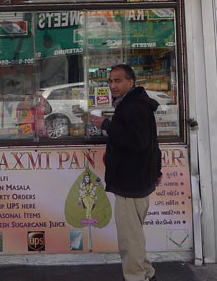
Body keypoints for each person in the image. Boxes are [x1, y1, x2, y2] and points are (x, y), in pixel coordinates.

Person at [90, 64, 161, 281]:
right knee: (134, 236)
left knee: (129, 240)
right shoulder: (134, 104)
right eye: (110, 81)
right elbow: (151, 143)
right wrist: (156, 170)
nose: (112, 85)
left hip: (131, 183)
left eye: (118, 81)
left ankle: (136, 277)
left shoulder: (134, 107)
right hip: (137, 180)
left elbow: (138, 142)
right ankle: (147, 273)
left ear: (131, 82)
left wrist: (107, 125)